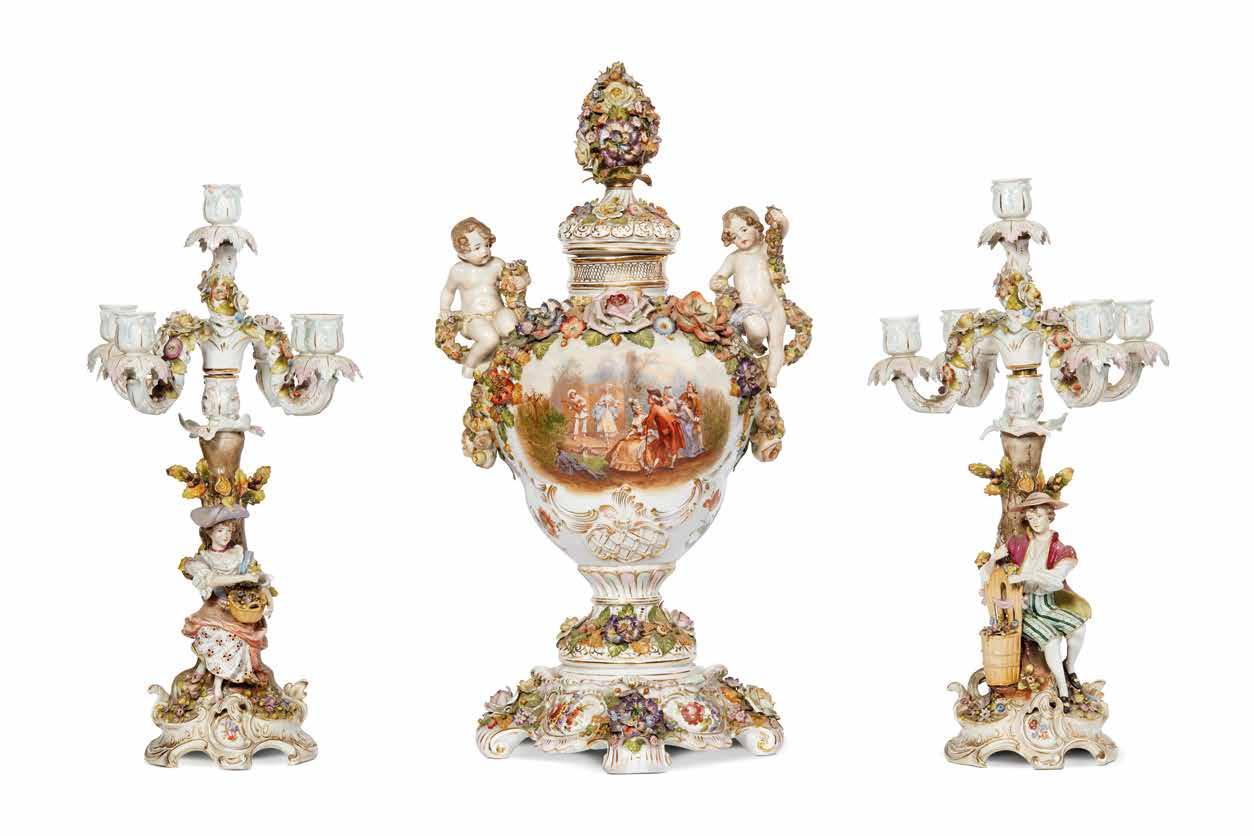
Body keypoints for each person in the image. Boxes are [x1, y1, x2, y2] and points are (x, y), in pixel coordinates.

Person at [982, 492, 1090, 706]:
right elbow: (989, 577)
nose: (1035, 521)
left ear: (1050, 515)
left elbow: (1055, 580)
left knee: (1079, 628)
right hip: (1021, 606)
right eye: (1030, 518)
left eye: (1039, 516)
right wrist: (994, 559)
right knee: (1051, 639)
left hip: (1047, 602)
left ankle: (1069, 667)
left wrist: (1027, 575)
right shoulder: (1016, 543)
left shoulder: (1062, 550)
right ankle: (1063, 689)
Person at [180, 504, 271, 700]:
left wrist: (267, 597)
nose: (226, 535)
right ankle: (206, 669)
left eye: (229, 531)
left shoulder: (238, 553)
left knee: (236, 638)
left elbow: (259, 578)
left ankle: (220, 682)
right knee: (212, 633)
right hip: (215, 606)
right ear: (209, 533)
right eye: (220, 531)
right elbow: (212, 580)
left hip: (238, 607)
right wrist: (242, 577)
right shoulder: (203, 559)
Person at [710, 206, 789, 387]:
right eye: (734, 236)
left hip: (774, 307)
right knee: (757, 331)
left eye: (744, 230)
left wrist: (779, 218)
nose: (741, 237)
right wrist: (722, 286)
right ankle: (755, 345)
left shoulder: (766, 250)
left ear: (756, 227)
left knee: (776, 344)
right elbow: (716, 279)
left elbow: (781, 232)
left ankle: (771, 376)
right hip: (748, 310)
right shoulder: (734, 258)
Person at [440, 218, 526, 378]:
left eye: (487, 245)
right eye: (477, 248)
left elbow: (516, 276)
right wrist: (445, 308)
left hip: (498, 312)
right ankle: (470, 365)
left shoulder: (496, 264)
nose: (485, 251)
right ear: (462, 253)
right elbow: (448, 291)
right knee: (489, 338)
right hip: (473, 318)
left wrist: (522, 280)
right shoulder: (458, 271)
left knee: (512, 328)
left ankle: (504, 360)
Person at [643, 388, 683, 470]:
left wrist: (644, 424)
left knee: (670, 446)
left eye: (649, 397)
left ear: (653, 399)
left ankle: (671, 465)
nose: (647, 399)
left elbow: (649, 421)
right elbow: (649, 419)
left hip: (668, 429)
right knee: (662, 447)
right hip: (667, 428)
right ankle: (655, 466)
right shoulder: (659, 405)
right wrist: (645, 422)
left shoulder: (654, 407)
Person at [607, 399, 651, 472]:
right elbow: (634, 429)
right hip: (636, 435)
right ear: (634, 410)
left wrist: (644, 435)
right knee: (622, 444)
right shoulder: (635, 418)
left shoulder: (644, 417)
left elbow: (648, 428)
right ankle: (617, 464)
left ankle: (642, 465)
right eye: (637, 409)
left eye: (640, 408)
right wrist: (629, 435)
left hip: (644, 435)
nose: (640, 409)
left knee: (634, 448)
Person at [679, 382, 704, 454]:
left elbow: (698, 408)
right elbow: (679, 403)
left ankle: (701, 447)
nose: (688, 388)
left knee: (698, 430)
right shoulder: (684, 395)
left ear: (693, 388)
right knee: (687, 431)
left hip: (693, 415)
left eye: (690, 387)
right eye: (688, 386)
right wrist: (681, 403)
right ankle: (693, 449)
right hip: (685, 416)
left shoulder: (696, 397)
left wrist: (697, 416)